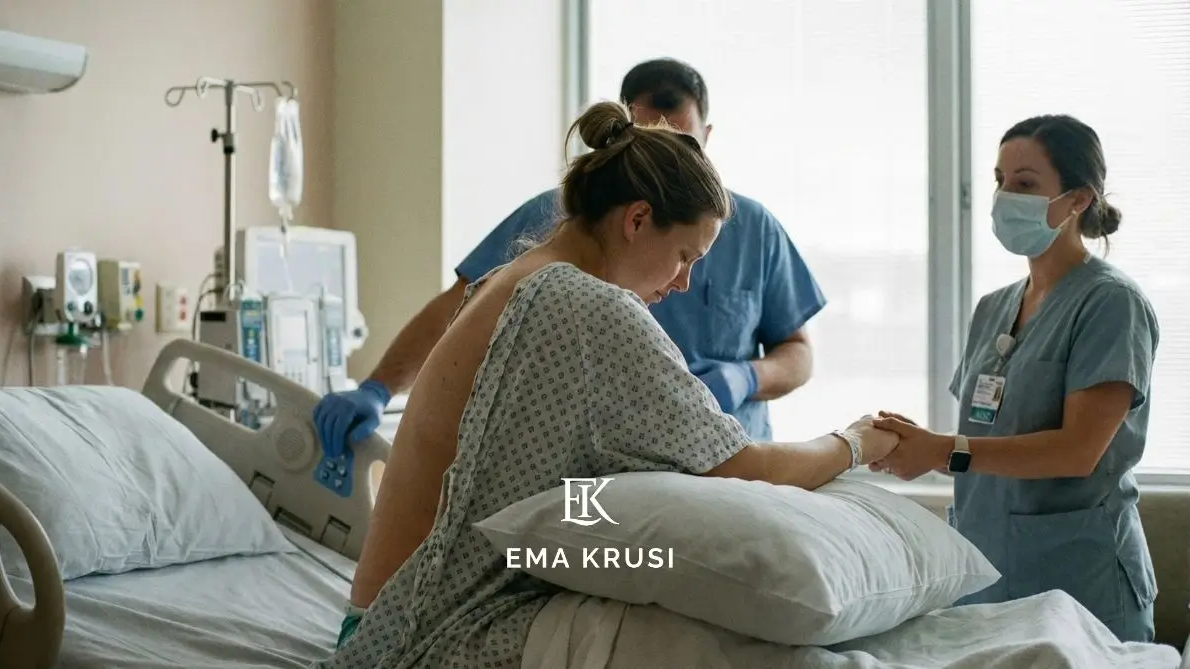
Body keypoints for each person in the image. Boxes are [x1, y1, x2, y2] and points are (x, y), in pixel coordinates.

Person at [317, 101, 900, 668]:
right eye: (683, 257)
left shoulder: (518, 277)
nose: (682, 283)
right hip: (428, 632)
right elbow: (741, 465)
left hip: (380, 620)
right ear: (638, 219)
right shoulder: (584, 305)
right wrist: (855, 442)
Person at [311, 58, 826, 453]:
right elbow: (461, 309)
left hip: (722, 454)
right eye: (650, 145)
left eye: (683, 145)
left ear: (706, 140)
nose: (668, 168)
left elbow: (797, 354)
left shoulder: (754, 229)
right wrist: (377, 390)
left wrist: (744, 377)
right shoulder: (561, 246)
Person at [870, 114, 1159, 643]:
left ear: (1077, 200)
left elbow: (1078, 451)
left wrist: (944, 451)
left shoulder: (1112, 304)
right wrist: (914, 445)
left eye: (1025, 184)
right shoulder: (992, 308)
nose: (1004, 197)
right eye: (1000, 181)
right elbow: (985, 438)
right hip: (987, 582)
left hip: (1080, 586)